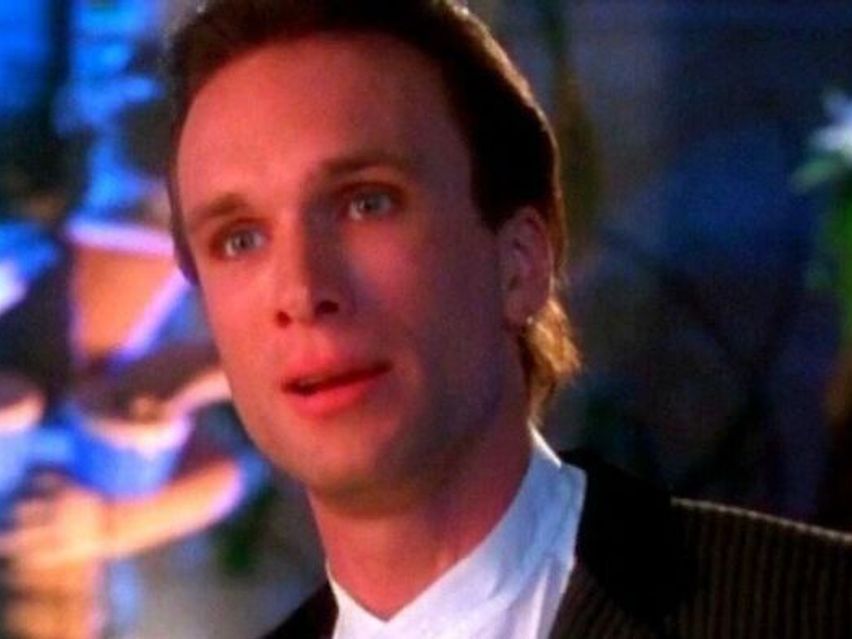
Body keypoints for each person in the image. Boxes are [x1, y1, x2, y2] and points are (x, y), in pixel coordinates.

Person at [165, 1, 852, 637]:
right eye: (239, 239)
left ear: (519, 263)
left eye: (366, 203)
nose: (302, 290)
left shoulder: (811, 607)